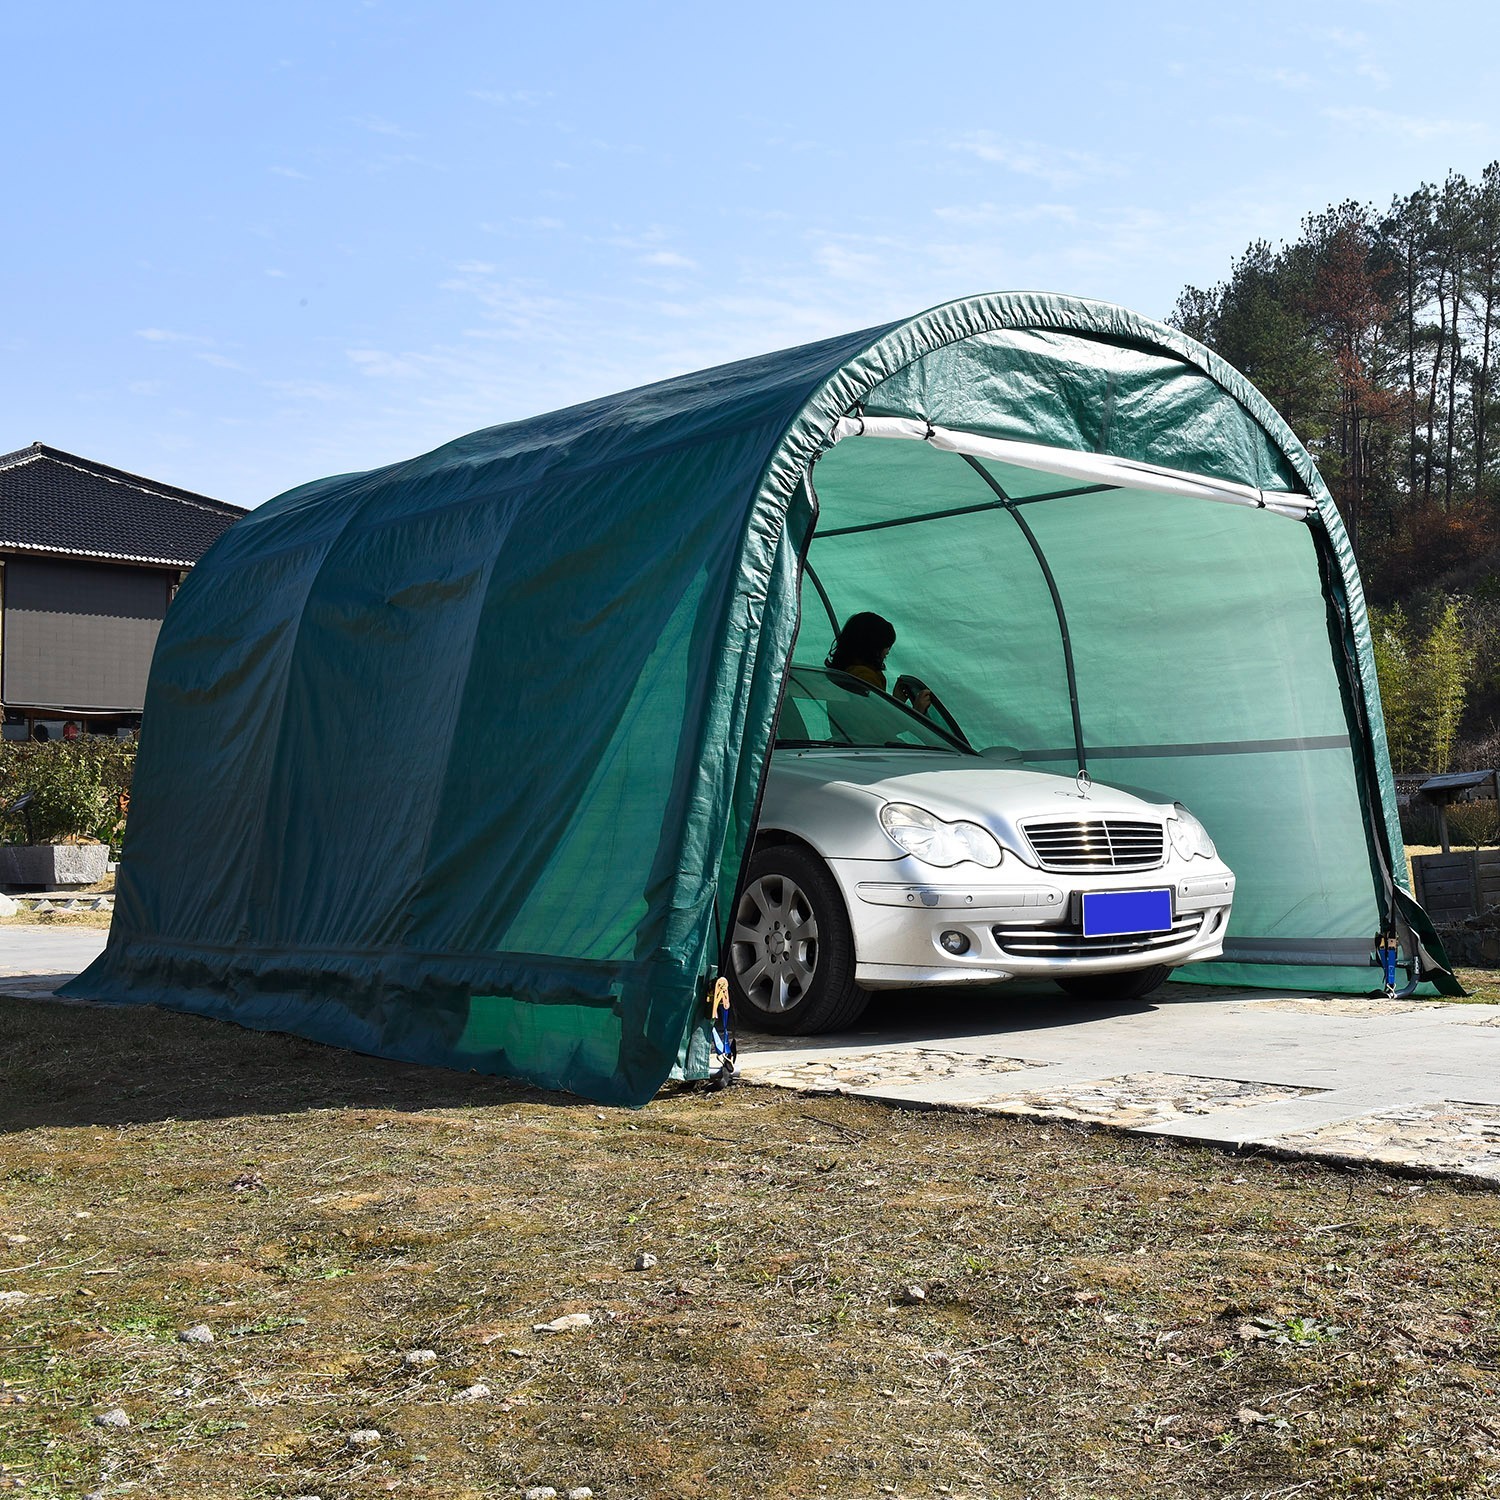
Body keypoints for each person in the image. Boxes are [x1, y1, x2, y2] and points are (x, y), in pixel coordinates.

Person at [825, 612, 933, 714]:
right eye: (886, 645)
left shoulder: (843, 673)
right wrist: (916, 712)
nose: (887, 651)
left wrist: (896, 700)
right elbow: (876, 727)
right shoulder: (863, 678)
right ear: (873, 646)